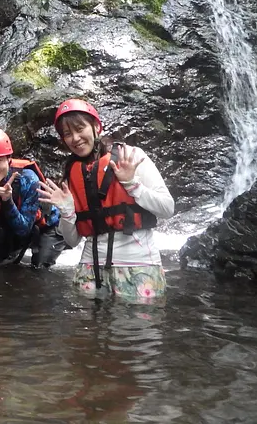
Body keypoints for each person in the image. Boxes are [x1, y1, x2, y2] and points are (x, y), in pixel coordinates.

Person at [38, 98, 174, 299]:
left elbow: (167, 208)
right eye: (67, 134)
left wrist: (132, 184)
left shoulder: (131, 156)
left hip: (139, 265)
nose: (75, 138)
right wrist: (67, 212)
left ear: (96, 126)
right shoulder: (71, 174)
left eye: (80, 129)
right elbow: (72, 241)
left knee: (141, 321)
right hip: (90, 270)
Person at [0, 126, 64, 268]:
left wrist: (7, 201)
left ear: (9, 160)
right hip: (11, 226)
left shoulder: (28, 179)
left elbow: (24, 230)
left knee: (39, 267)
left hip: (46, 226)